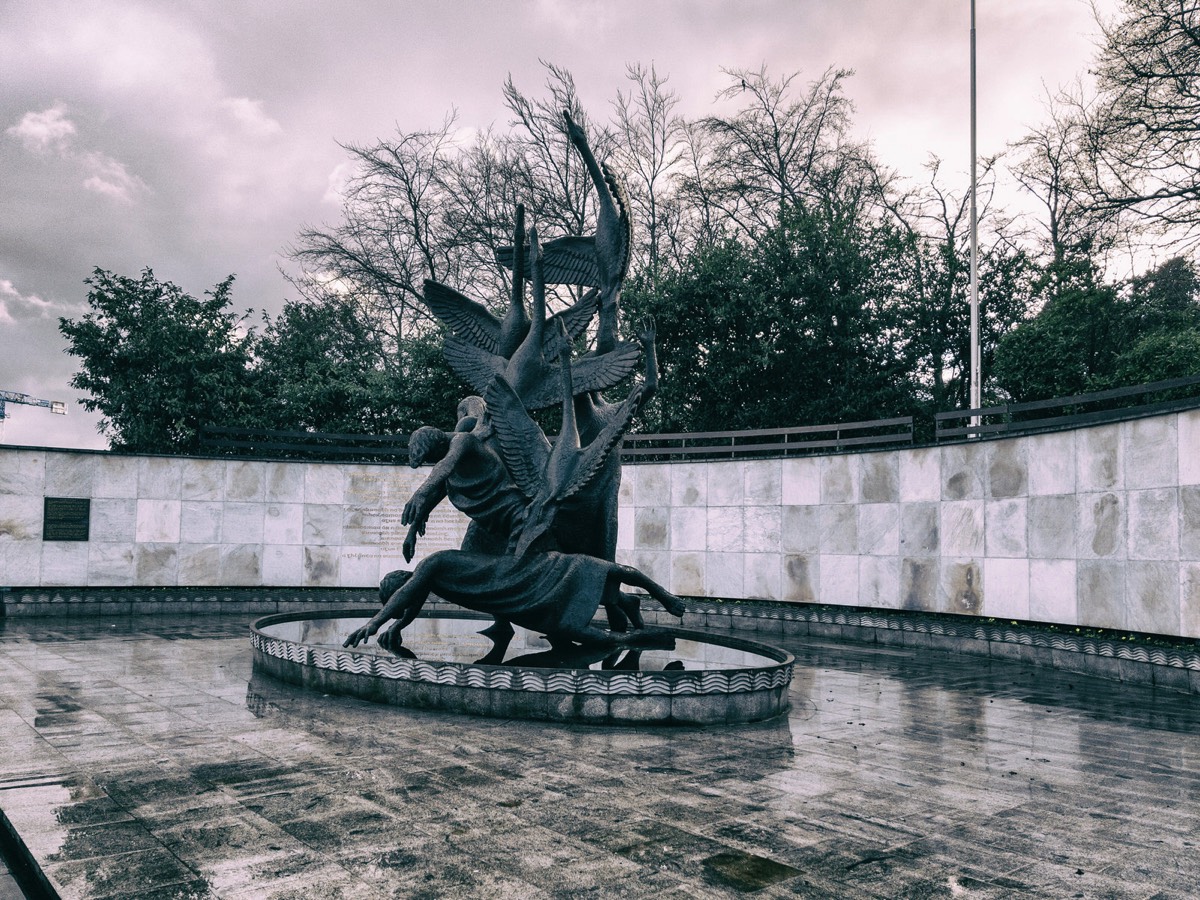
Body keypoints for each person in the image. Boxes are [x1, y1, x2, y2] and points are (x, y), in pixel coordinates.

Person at [344, 548, 685, 651]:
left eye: (401, 601)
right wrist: (398, 625)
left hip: (520, 575)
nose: (406, 607)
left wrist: (375, 622)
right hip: (518, 598)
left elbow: (408, 595)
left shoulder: (431, 566)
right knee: (565, 625)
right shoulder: (427, 584)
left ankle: (662, 595)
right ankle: (630, 636)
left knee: (590, 568)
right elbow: (411, 603)